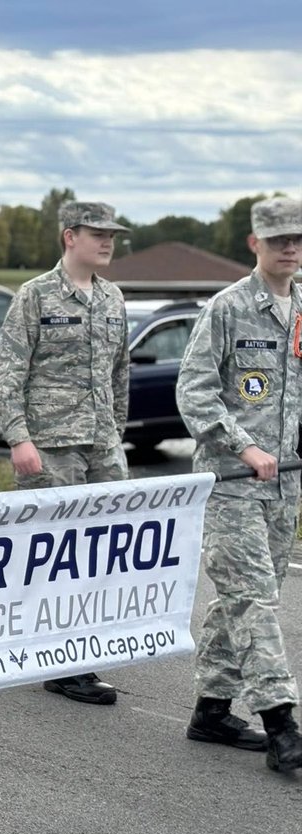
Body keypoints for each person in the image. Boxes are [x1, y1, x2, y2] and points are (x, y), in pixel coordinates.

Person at [175, 195, 302, 771]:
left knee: (241, 600)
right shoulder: (228, 308)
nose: (290, 249)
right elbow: (194, 390)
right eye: (279, 240)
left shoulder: (301, 308)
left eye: (297, 239)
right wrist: (243, 445)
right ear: (255, 243)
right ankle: (282, 724)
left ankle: (212, 709)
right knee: (255, 600)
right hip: (231, 485)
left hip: (284, 489)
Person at [0, 200, 131, 706]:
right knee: (56, 555)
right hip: (51, 448)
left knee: (104, 551)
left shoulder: (113, 297)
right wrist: (19, 439)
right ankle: (62, 663)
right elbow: (7, 376)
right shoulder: (35, 295)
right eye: (97, 233)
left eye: (112, 235)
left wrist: (116, 432)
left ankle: (79, 648)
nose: (108, 242)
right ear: (70, 236)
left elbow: (119, 375)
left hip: (102, 447)